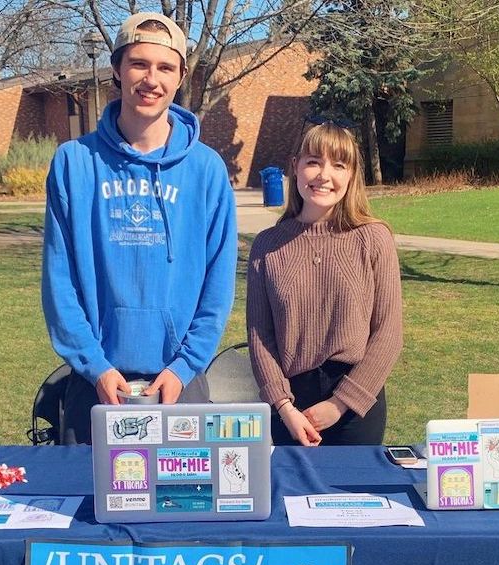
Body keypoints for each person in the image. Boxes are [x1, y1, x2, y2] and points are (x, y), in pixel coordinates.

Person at [42, 12, 237, 444]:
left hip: (178, 384)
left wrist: (184, 366)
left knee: (181, 508)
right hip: (96, 386)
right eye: (139, 64)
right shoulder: (74, 163)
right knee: (85, 509)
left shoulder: (206, 170)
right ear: (116, 68)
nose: (152, 79)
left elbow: (218, 285)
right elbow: (60, 283)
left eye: (165, 67)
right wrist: (94, 365)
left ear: (181, 75)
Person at [246, 120, 403, 447]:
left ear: (352, 175)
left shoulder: (374, 239)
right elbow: (260, 337)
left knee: (355, 498)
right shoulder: (267, 246)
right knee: (288, 497)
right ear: (296, 168)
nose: (323, 175)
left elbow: (388, 332)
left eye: (338, 165)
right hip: (289, 405)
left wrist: (340, 404)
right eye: (313, 162)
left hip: (356, 401)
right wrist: (285, 407)